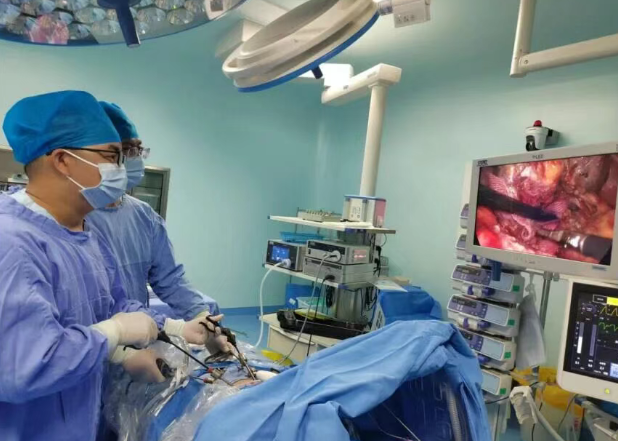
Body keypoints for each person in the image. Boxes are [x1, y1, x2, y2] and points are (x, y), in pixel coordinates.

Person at [0, 91, 225, 441]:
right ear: (63, 160)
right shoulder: (12, 243)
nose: (121, 168)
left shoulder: (83, 232)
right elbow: (21, 368)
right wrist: (113, 335)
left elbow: (116, 304)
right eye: (111, 156)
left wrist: (178, 328)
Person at [86, 102, 221, 324]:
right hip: (91, 337)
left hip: (139, 334)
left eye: (138, 150)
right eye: (126, 149)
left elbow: (169, 278)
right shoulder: (73, 216)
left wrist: (202, 316)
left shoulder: (143, 215)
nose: (135, 158)